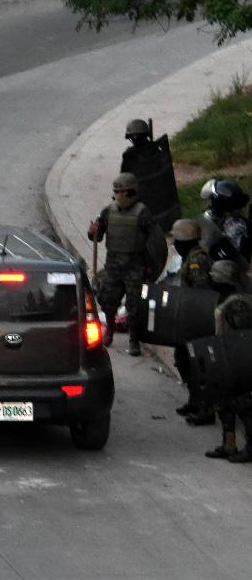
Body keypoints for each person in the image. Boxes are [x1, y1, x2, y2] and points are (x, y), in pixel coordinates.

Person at [88, 173, 156, 356]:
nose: (119, 196)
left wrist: (149, 266)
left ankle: (134, 340)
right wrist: (92, 231)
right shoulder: (108, 211)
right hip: (113, 265)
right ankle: (109, 330)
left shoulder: (142, 213)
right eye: (116, 192)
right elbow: (97, 235)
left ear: (132, 192)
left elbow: (152, 241)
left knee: (134, 305)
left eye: (123, 192)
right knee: (108, 301)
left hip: (135, 265)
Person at [203, 261, 252, 461]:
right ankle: (228, 444)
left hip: (240, 364)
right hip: (227, 361)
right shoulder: (226, 300)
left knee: (244, 407)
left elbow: (241, 338)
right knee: (224, 404)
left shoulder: (237, 305)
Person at [169, 219, 215, 423]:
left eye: (177, 241)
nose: (175, 245)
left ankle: (205, 408)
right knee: (183, 360)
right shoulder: (190, 258)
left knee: (199, 366)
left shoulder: (197, 262)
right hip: (190, 321)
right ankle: (194, 400)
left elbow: (201, 296)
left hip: (199, 324)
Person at [203, 180, 251, 264]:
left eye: (212, 200)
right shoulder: (232, 219)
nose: (210, 205)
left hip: (229, 268)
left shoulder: (236, 226)